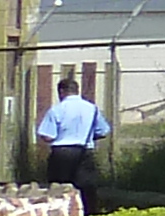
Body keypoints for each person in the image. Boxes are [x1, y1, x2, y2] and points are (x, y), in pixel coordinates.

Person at [34, 74, 110, 209]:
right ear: (77, 90)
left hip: (61, 153)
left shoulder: (56, 110)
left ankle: (63, 213)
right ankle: (88, 213)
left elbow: (47, 136)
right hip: (85, 151)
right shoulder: (92, 109)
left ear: (61, 92)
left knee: (59, 188)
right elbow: (103, 131)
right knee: (86, 188)